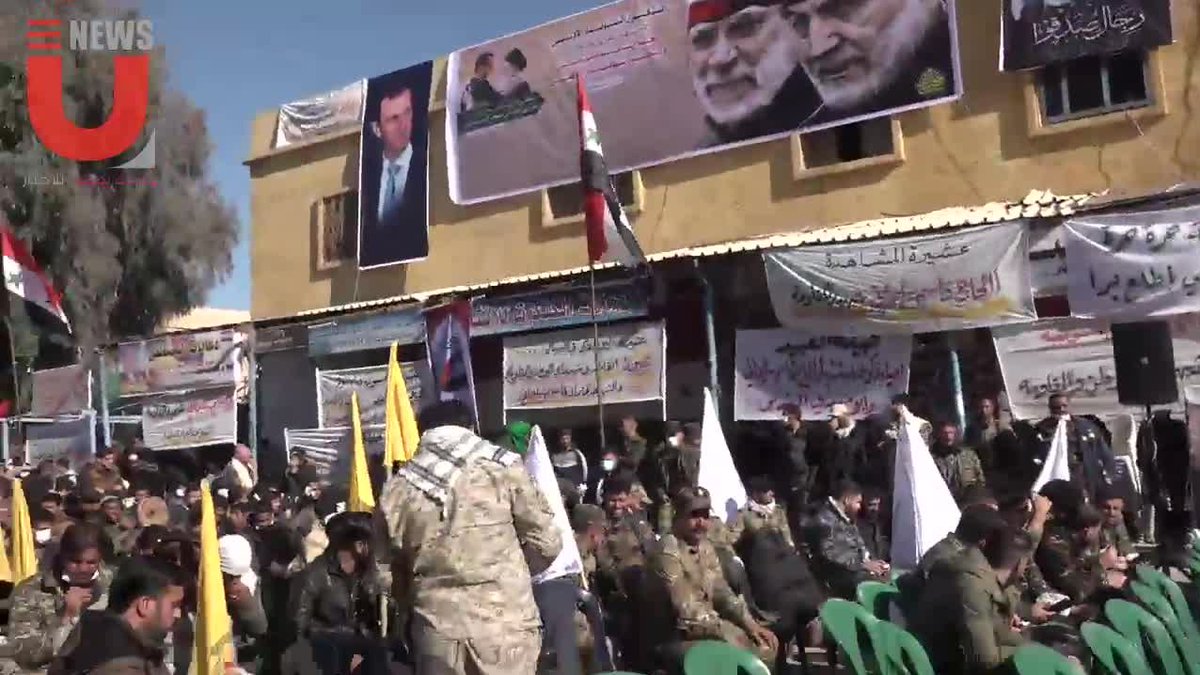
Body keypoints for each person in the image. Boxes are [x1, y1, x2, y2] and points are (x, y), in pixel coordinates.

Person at [380, 400, 562, 675]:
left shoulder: (396, 489)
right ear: (469, 428)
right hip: (506, 630)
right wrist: (513, 575)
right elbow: (548, 544)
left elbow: (386, 574)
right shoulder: (502, 468)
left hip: (436, 635)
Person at [652, 487, 778, 667]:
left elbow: (722, 593)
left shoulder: (705, 547)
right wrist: (725, 631)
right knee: (736, 655)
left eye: (705, 515)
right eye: (694, 515)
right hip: (672, 637)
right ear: (678, 517)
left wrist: (751, 625)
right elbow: (686, 611)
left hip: (705, 629)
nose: (701, 523)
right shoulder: (667, 552)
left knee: (764, 647)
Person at [784, 0, 957, 124]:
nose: (817, 49)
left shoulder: (976, 66)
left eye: (843, 6)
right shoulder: (812, 133)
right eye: (797, 21)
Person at [685, 0, 821, 144]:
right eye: (702, 39)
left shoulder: (838, 134)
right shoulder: (696, 163)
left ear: (799, 28)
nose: (720, 59)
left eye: (744, 27)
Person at [910, 525, 1034, 674]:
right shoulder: (972, 585)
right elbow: (984, 659)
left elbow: (996, 634)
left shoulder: (981, 575)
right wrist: (1031, 652)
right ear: (1020, 563)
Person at [48, 556, 185, 675]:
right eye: (174, 605)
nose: (178, 614)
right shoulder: (122, 667)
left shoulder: (86, 632)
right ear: (145, 605)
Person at [8, 523, 112, 671]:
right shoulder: (32, 590)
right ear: (63, 557)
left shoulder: (111, 583)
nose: (83, 569)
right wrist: (66, 618)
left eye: (91, 562)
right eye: (75, 562)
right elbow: (25, 654)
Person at [292, 513, 385, 675]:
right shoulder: (315, 575)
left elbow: (375, 622)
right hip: (326, 658)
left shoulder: (371, 573)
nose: (371, 547)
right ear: (355, 544)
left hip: (365, 657)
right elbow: (299, 625)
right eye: (366, 542)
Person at [361, 79, 430, 267]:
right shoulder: (367, 177)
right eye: (393, 119)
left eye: (407, 113)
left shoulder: (425, 166)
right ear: (377, 129)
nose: (404, 125)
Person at [1033, 393, 1119, 502]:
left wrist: (1109, 473)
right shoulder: (1041, 429)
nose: (1061, 410)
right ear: (1050, 409)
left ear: (1069, 406)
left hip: (1083, 472)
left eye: (1064, 406)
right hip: (1057, 476)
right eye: (1056, 407)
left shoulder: (1086, 426)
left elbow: (1103, 451)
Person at [810, 480, 888, 598]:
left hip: (854, 570)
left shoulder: (845, 518)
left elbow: (857, 545)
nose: (860, 506)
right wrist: (863, 565)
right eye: (857, 502)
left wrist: (871, 561)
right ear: (847, 500)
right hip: (838, 576)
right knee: (878, 585)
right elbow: (833, 554)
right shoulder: (825, 520)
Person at [729, 475, 794, 550]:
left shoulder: (778, 511)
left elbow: (785, 532)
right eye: (766, 491)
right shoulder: (744, 513)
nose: (771, 494)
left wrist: (790, 546)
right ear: (756, 494)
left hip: (779, 551)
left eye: (771, 491)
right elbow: (735, 535)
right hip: (758, 553)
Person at [931, 420, 987, 503]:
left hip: (968, 500)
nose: (948, 437)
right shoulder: (932, 458)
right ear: (939, 435)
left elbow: (980, 479)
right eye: (945, 433)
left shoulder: (969, 455)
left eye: (950, 433)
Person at [551, 429, 590, 499]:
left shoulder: (577, 454)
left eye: (567, 438)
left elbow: (584, 470)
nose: (565, 441)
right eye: (563, 439)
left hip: (575, 488)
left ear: (570, 438)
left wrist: (583, 484)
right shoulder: (554, 456)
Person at [1097, 486, 1134, 558]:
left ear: (1122, 510)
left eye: (1115, 508)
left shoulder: (1127, 529)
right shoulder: (1091, 530)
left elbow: (1129, 552)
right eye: (1107, 508)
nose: (1111, 513)